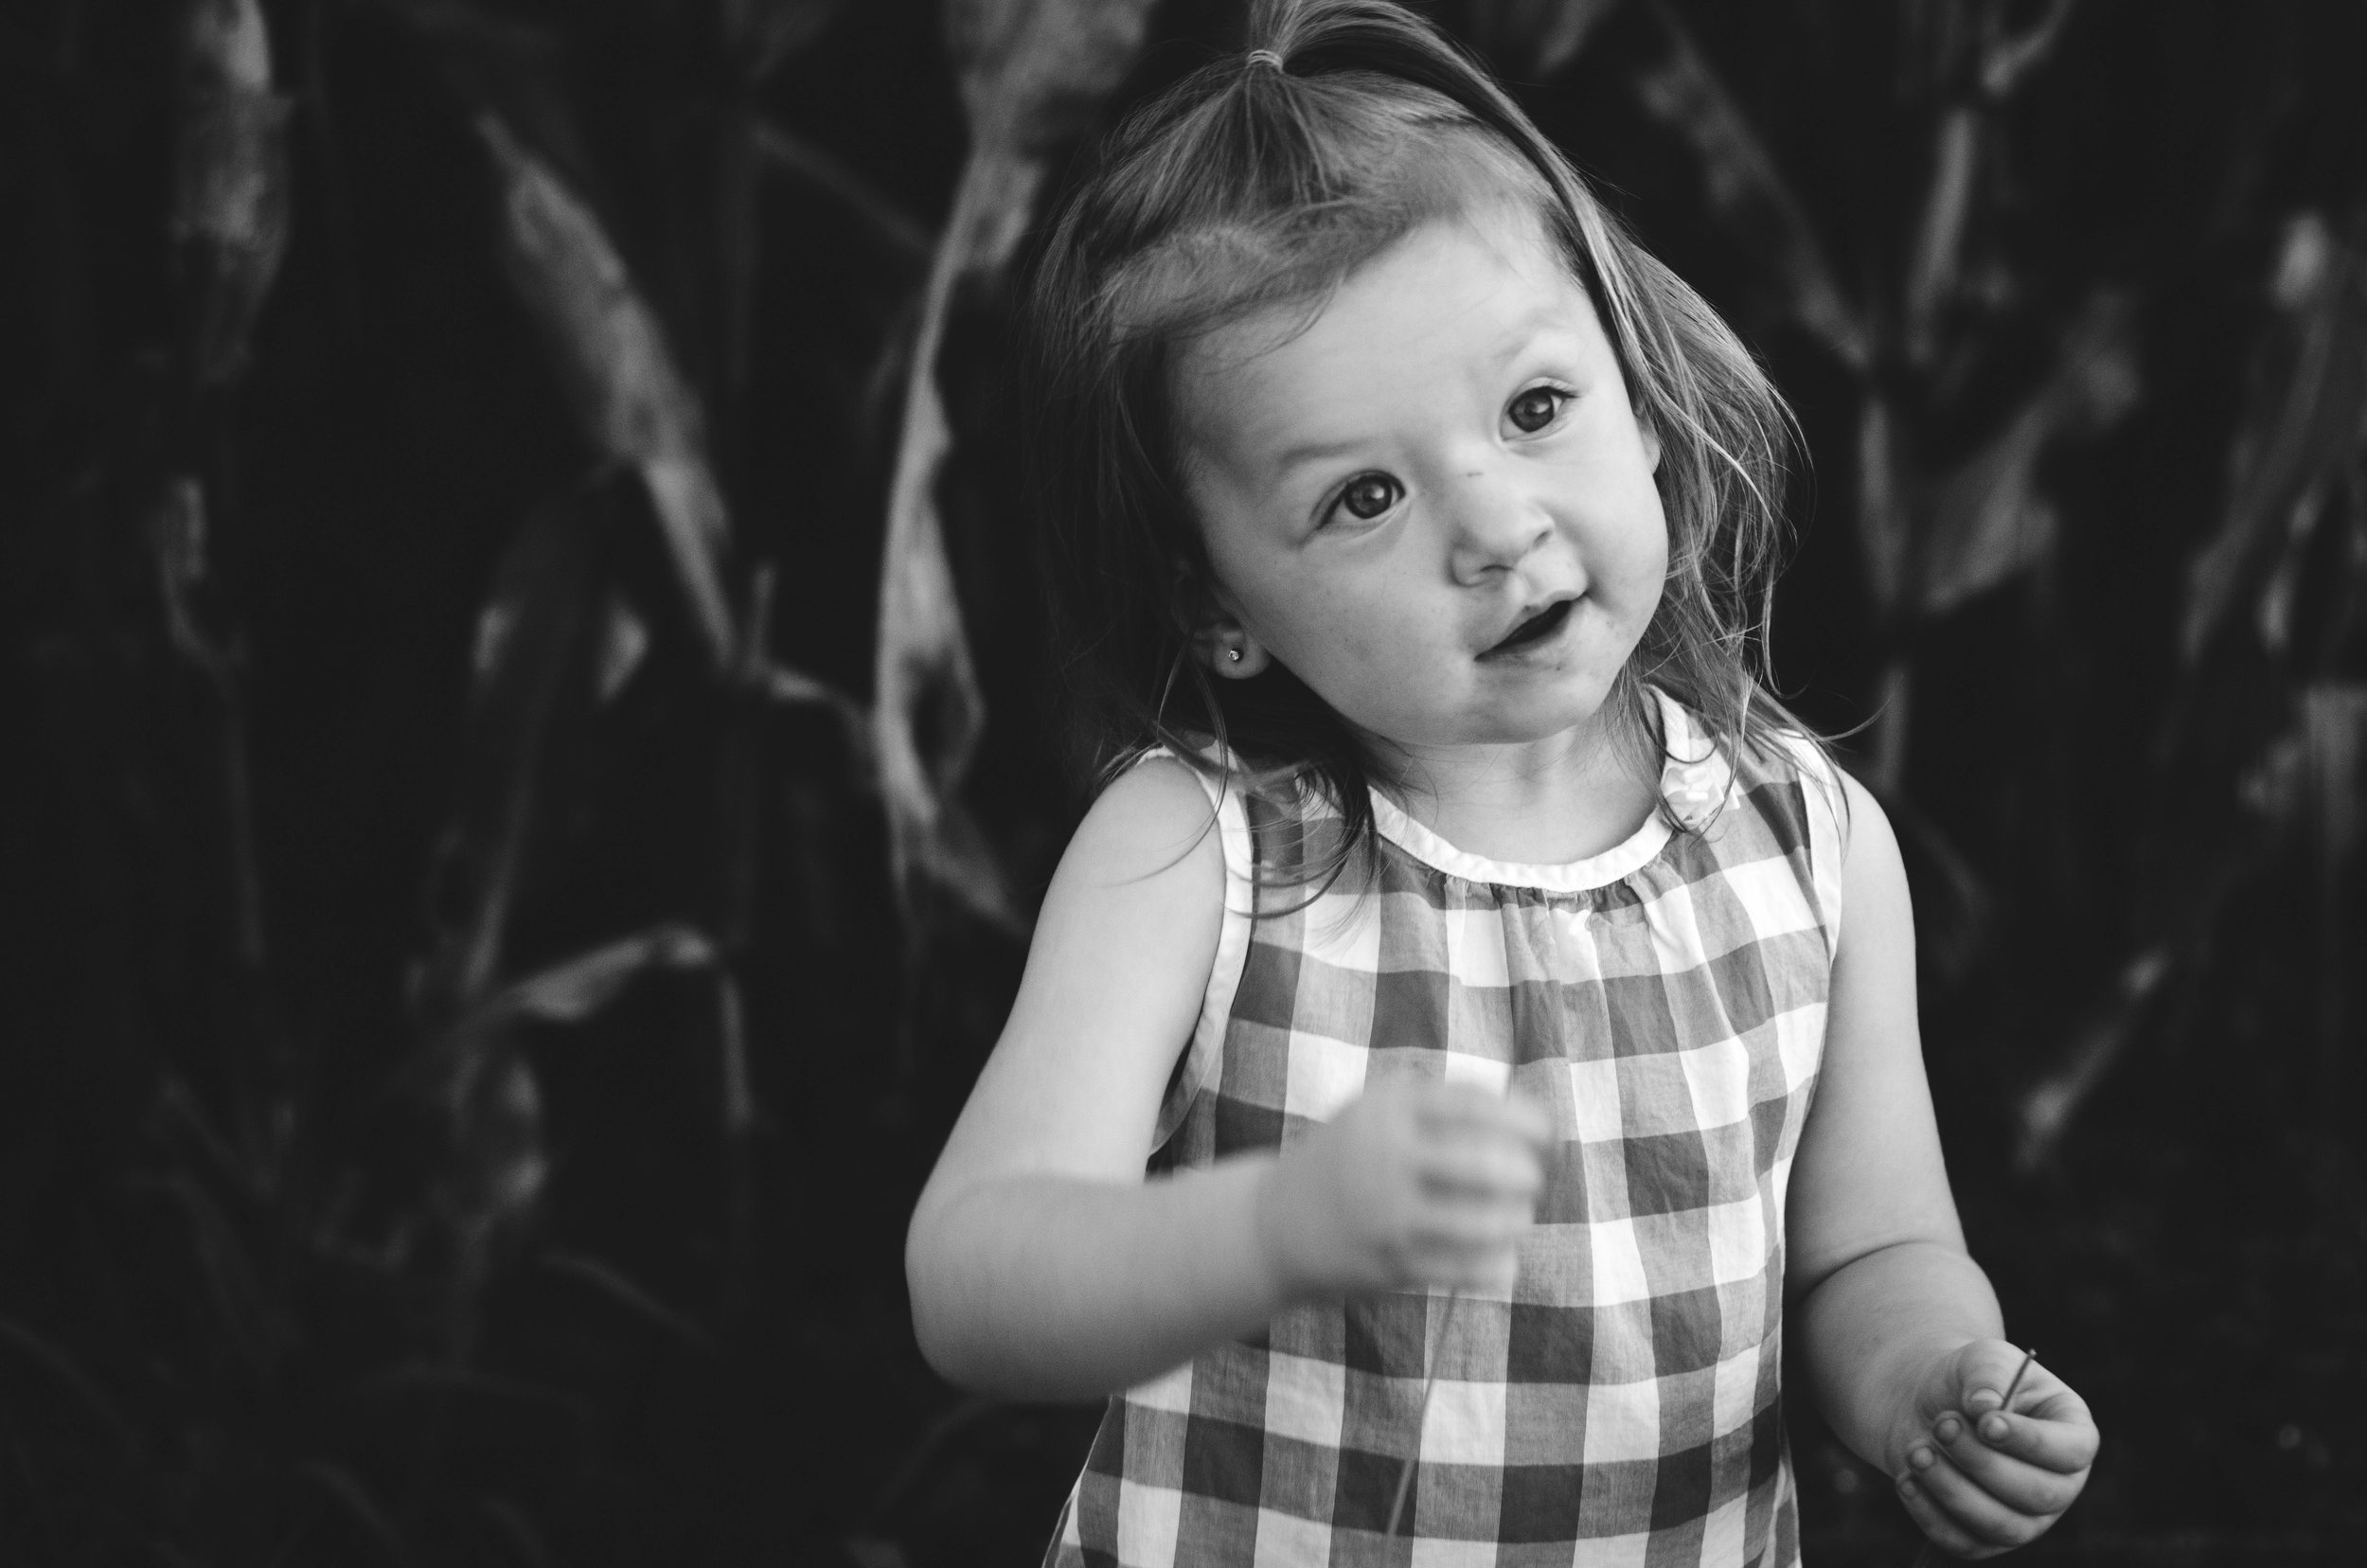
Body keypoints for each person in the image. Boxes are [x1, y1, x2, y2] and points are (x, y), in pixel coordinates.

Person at [904, 2, 2099, 1561]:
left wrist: (1930, 1380)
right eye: (1364, 496)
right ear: (1213, 606)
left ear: (1642, 400)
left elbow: (1866, 1253)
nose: (1494, 527)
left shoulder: (1808, 846)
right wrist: (1270, 1229)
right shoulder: (1196, 857)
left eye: (1536, 410)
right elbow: (977, 1279)